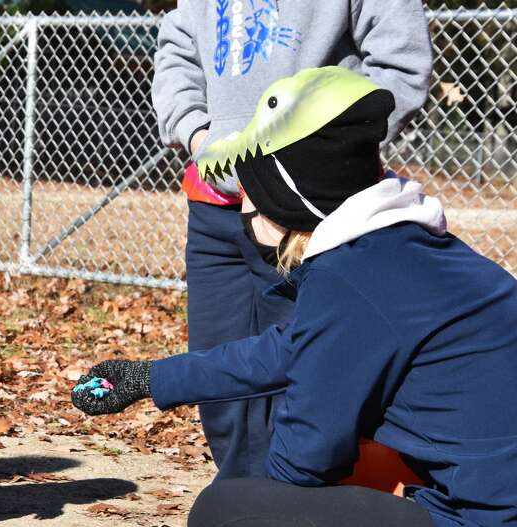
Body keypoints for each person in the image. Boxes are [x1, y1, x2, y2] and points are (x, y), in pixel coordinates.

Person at [73, 66, 517, 527]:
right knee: (364, 464)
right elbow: (287, 350)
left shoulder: (349, 280)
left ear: (288, 195)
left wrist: (267, 503)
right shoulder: (415, 248)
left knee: (223, 518)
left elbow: (304, 459)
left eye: (250, 195)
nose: (240, 211)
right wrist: (150, 379)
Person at [152, 0, 433, 481]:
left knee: (314, 371)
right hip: (215, 203)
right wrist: (199, 137)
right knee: (218, 368)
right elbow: (177, 49)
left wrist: (317, 155)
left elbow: (401, 68)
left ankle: (308, 509)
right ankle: (243, 505)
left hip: (312, 209)